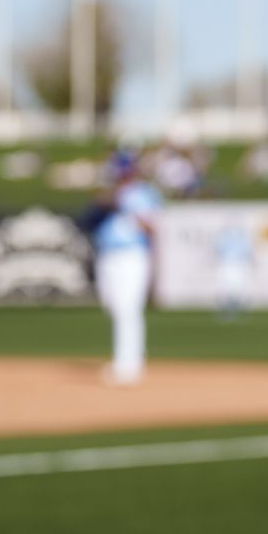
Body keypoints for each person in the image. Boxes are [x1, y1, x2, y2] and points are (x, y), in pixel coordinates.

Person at [91, 151, 162, 385]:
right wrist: (108, 203)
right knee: (111, 304)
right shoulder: (108, 195)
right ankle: (126, 360)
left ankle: (128, 365)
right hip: (108, 254)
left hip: (133, 255)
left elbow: (152, 227)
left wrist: (128, 208)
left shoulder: (144, 194)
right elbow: (91, 220)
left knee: (128, 308)